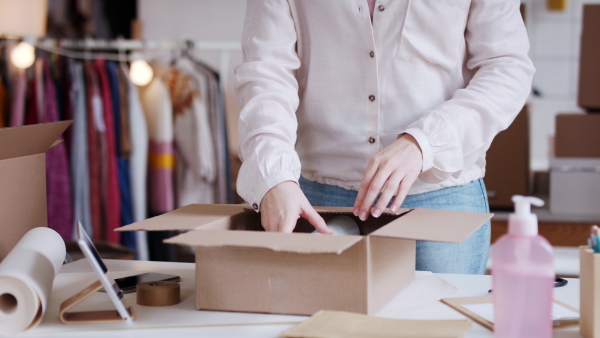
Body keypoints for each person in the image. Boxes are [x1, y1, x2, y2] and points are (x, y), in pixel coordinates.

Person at [234, 0, 535, 274]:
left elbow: (507, 67)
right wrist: (274, 174)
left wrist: (424, 142)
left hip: (440, 195)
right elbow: (266, 73)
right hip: (313, 197)